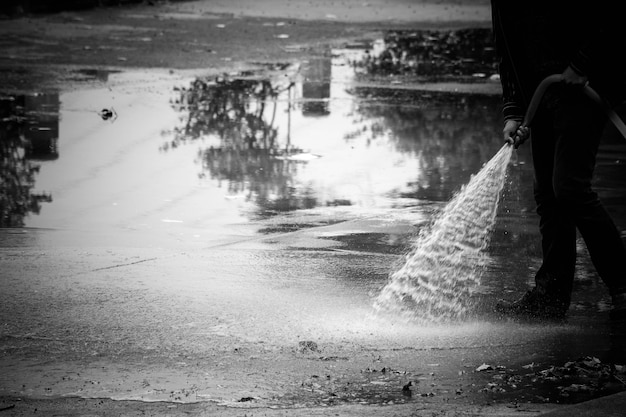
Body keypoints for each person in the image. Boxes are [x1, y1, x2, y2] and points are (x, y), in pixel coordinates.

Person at [490, 0, 626, 321]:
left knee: (569, 187)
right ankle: (550, 298)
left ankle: (623, 284)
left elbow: (612, 13)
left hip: (582, 85)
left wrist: (582, 64)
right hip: (542, 90)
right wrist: (514, 110)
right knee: (548, 194)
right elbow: (507, 46)